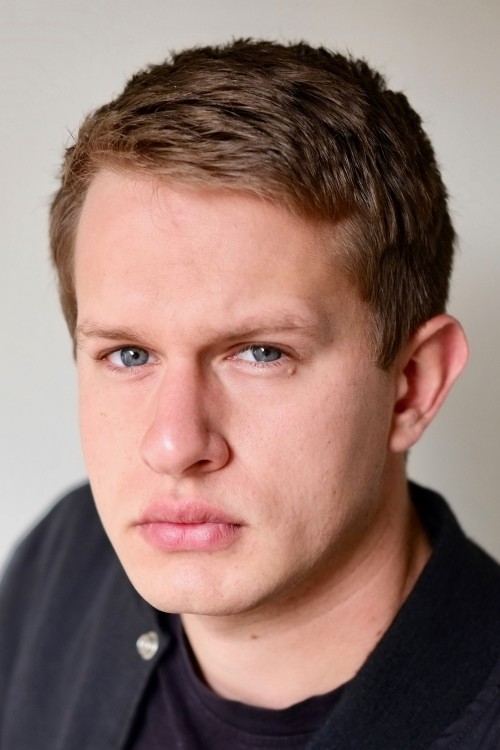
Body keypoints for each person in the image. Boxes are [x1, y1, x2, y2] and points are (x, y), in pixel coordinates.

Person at [1, 38, 499, 750]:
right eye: (129, 354)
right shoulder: (68, 559)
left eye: (262, 353)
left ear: (412, 386)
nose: (175, 444)